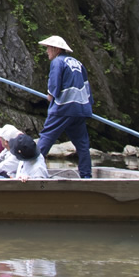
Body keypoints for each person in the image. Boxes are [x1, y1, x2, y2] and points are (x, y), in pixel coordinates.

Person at [35, 34, 94, 178]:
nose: (47, 51)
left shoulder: (57, 62)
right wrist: (88, 105)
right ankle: (86, 175)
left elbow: (55, 82)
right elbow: (87, 87)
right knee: (82, 144)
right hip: (80, 109)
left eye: (48, 48)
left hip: (63, 108)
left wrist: (51, 94)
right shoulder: (78, 63)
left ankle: (31, 168)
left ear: (56, 49)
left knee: (46, 138)